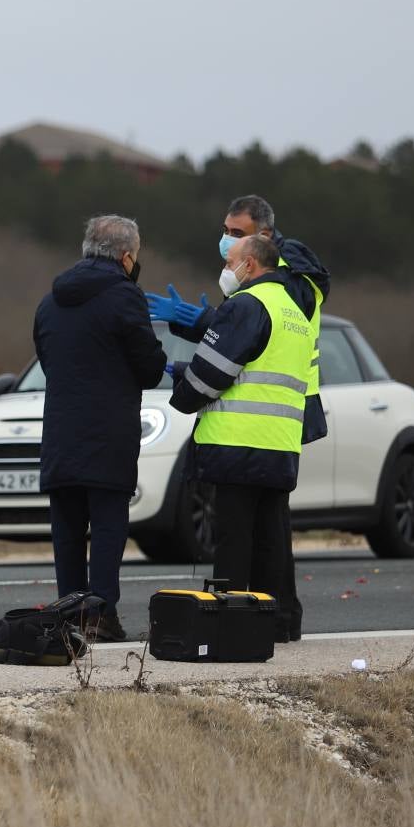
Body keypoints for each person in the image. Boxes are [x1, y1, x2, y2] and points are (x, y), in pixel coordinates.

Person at [146, 194, 330, 637]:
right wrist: (207, 322)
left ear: (260, 250)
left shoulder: (252, 302)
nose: (227, 251)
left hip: (237, 439)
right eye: (226, 233)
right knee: (271, 538)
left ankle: (229, 625)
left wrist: (180, 381)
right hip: (279, 437)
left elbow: (220, 367)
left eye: (237, 240)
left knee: (233, 539)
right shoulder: (294, 306)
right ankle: (277, 622)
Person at [33, 214, 167, 640]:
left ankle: (69, 613)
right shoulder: (126, 298)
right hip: (109, 431)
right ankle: (100, 614)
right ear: (126, 256)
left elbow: (48, 360)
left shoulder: (49, 302)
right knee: (108, 527)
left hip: (60, 431)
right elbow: (149, 367)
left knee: (67, 530)